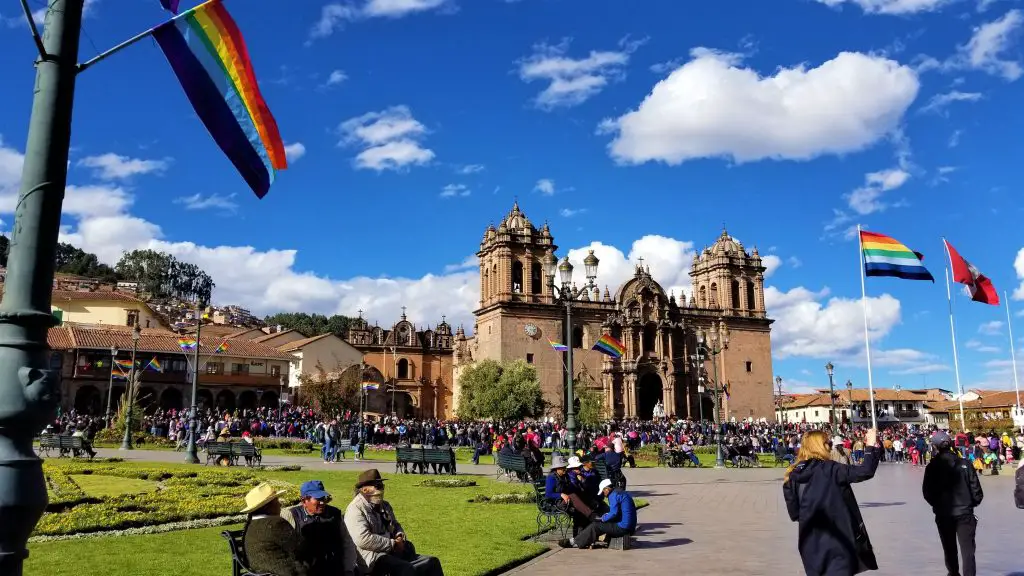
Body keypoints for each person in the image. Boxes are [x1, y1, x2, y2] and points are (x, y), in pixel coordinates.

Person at [783, 428, 880, 576]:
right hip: (838, 540)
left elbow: (795, 514)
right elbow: (865, 471)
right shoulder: (830, 469)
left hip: (810, 543)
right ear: (819, 446)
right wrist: (871, 444)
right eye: (827, 443)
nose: (830, 446)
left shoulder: (791, 475)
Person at [344, 469, 444, 576]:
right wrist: (393, 544)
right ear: (365, 490)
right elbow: (362, 539)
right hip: (371, 557)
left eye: (382, 486)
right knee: (406, 569)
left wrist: (399, 535)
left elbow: (395, 525)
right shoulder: (355, 509)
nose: (381, 489)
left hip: (392, 552)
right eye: (377, 486)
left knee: (432, 562)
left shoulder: (385, 505)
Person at [923, 430, 984, 576]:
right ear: (950, 443)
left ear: (935, 446)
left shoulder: (932, 467)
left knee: (949, 548)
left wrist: (937, 505)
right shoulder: (965, 463)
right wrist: (971, 503)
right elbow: (976, 490)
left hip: (944, 514)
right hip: (965, 512)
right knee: (968, 550)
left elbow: (927, 492)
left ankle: (953, 573)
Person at [281, 480, 357, 576]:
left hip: (334, 570)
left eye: (323, 498)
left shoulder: (334, 514)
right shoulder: (292, 516)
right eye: (318, 499)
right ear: (304, 501)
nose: (322, 502)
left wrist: (348, 569)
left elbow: (347, 542)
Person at [241, 483, 308, 576]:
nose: (280, 504)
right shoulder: (275, 523)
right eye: (276, 501)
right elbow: (299, 547)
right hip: (282, 571)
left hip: (258, 569)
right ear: (267, 506)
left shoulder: (251, 523)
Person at [559, 479, 637, 549]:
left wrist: (602, 518)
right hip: (630, 526)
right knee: (601, 523)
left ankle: (574, 542)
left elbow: (613, 513)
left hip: (623, 527)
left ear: (607, 489)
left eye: (603, 491)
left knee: (595, 526)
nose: (603, 494)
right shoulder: (621, 492)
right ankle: (587, 539)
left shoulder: (613, 495)